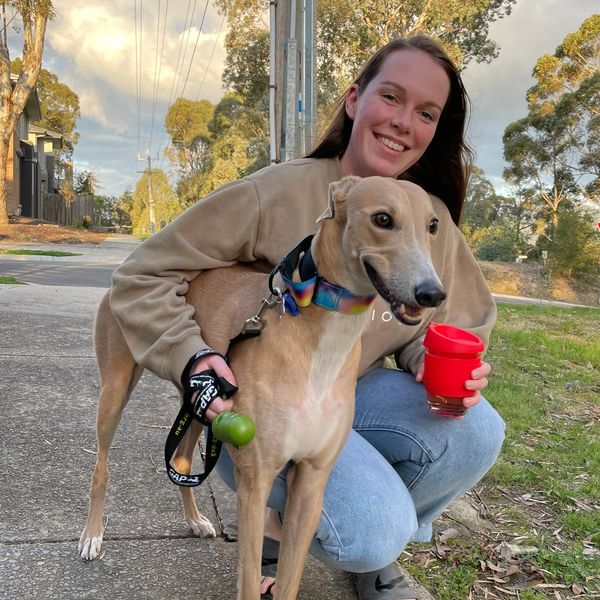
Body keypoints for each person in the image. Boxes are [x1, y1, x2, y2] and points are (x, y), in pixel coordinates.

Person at [110, 35, 505, 600]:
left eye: (425, 113)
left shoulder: (430, 217)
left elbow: (453, 319)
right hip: (260, 404)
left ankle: (372, 546)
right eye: (390, 97)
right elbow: (142, 273)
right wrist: (191, 356)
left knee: (478, 429)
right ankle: (302, 522)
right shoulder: (274, 193)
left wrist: (434, 359)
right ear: (353, 100)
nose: (402, 122)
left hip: (348, 394)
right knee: (369, 527)